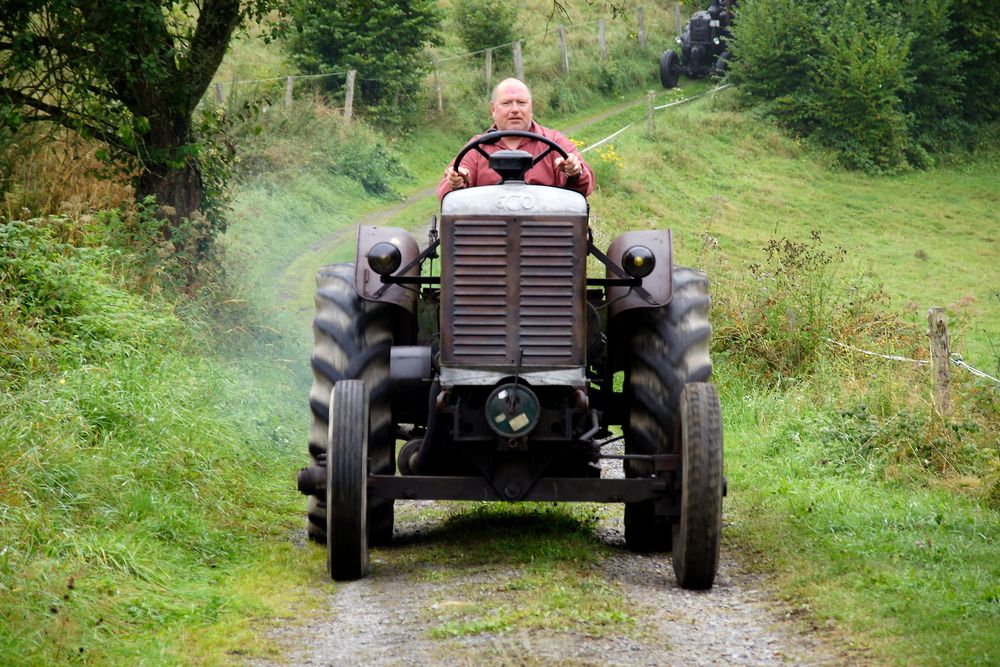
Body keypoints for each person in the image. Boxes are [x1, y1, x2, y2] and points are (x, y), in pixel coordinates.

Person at [436, 78, 595, 200]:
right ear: (493, 109)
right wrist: (456, 181)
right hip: (489, 236)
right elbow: (445, 193)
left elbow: (585, 186)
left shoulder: (554, 141)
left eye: (521, 103)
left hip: (545, 234)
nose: (515, 110)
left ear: (530, 107)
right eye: (506, 103)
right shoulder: (477, 148)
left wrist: (574, 170)